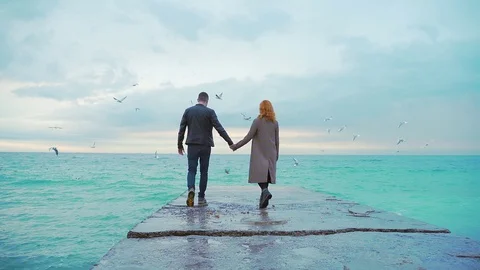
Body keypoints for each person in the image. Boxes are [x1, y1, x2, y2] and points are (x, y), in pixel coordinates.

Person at [177, 91, 234, 207]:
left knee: (191, 170)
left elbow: (182, 129)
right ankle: (201, 198)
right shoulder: (210, 112)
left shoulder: (188, 111)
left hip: (192, 145)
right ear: (206, 101)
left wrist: (179, 145)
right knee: (204, 172)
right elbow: (219, 128)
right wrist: (230, 142)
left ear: (198, 99)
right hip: (205, 146)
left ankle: (191, 188)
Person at [230, 100, 279, 209]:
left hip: (260, 153)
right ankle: (263, 200)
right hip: (271, 152)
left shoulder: (257, 121)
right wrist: (277, 155)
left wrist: (235, 146)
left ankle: (265, 192)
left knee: (259, 176)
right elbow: (277, 140)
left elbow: (248, 137)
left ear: (261, 109)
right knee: (266, 176)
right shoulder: (275, 123)